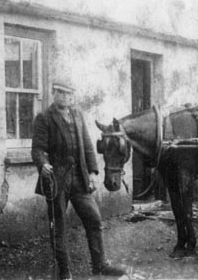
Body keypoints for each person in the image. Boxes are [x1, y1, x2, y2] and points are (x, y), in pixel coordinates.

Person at [31, 79, 126, 280]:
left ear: (72, 96)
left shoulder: (77, 115)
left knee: (94, 218)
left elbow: (88, 146)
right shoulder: (44, 118)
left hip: (79, 178)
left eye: (68, 94)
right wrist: (43, 164)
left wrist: (92, 172)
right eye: (61, 93)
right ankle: (64, 272)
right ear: (53, 93)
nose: (65, 97)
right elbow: (38, 149)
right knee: (58, 225)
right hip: (57, 179)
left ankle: (100, 265)